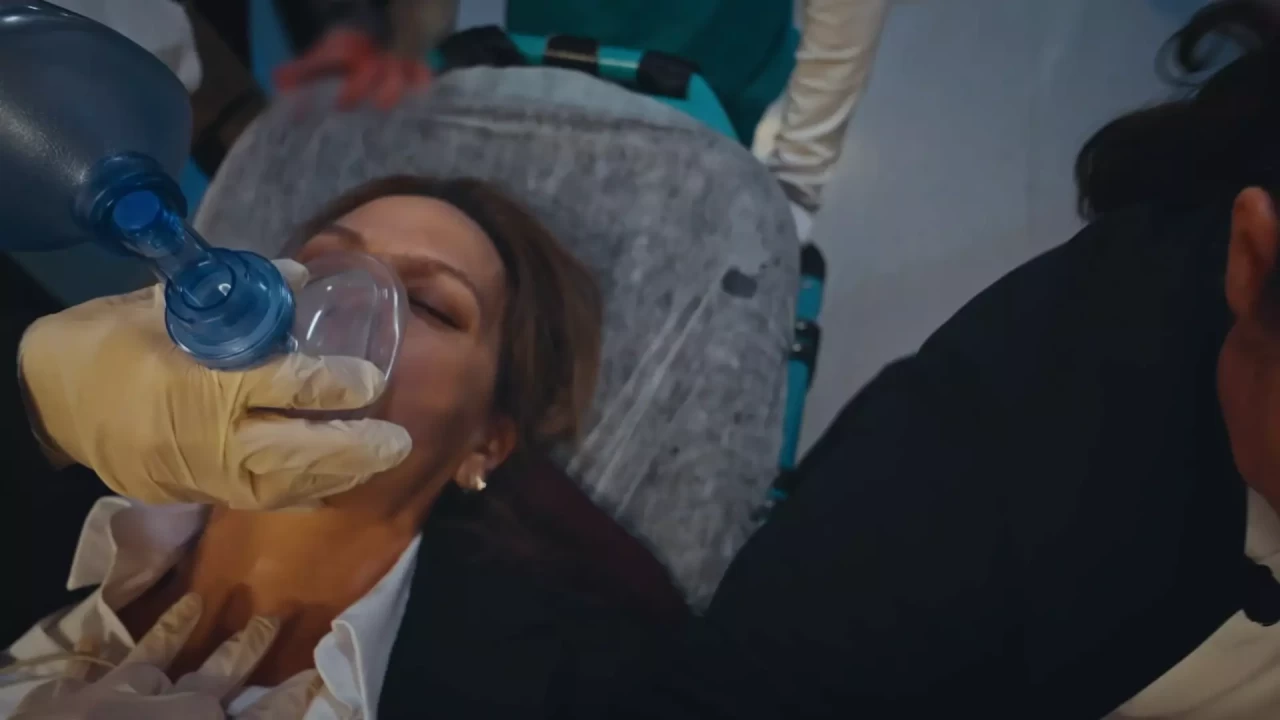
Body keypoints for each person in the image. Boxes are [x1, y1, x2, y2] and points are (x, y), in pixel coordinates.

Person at [3, 176, 688, 717]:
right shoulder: (45, 486)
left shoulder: (578, 680)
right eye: (320, 269)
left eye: (431, 306)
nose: (345, 305)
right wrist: (38, 406)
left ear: (485, 443)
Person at [270, 0, 797, 142]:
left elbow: (838, 24)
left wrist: (800, 182)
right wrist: (405, 49)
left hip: (725, 61)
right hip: (554, 49)